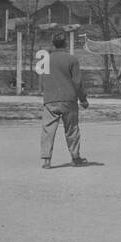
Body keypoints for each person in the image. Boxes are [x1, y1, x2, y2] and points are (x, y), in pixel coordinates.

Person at [41, 32, 89, 168]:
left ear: (53, 44)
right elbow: (77, 82)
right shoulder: (71, 59)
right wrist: (83, 99)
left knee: (48, 129)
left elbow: (42, 80)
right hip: (68, 99)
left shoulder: (46, 59)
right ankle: (75, 157)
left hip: (50, 99)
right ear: (65, 43)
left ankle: (46, 159)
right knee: (72, 129)